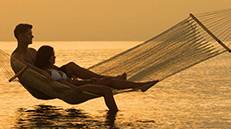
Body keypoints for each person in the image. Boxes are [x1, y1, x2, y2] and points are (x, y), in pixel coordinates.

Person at [9, 23, 156, 112]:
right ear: (21, 36)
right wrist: (61, 80)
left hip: (56, 78)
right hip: (47, 87)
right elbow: (35, 74)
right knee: (102, 84)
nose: (32, 36)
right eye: (29, 34)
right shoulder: (17, 59)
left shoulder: (32, 52)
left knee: (72, 66)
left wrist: (61, 73)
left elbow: (45, 65)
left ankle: (116, 81)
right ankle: (137, 85)